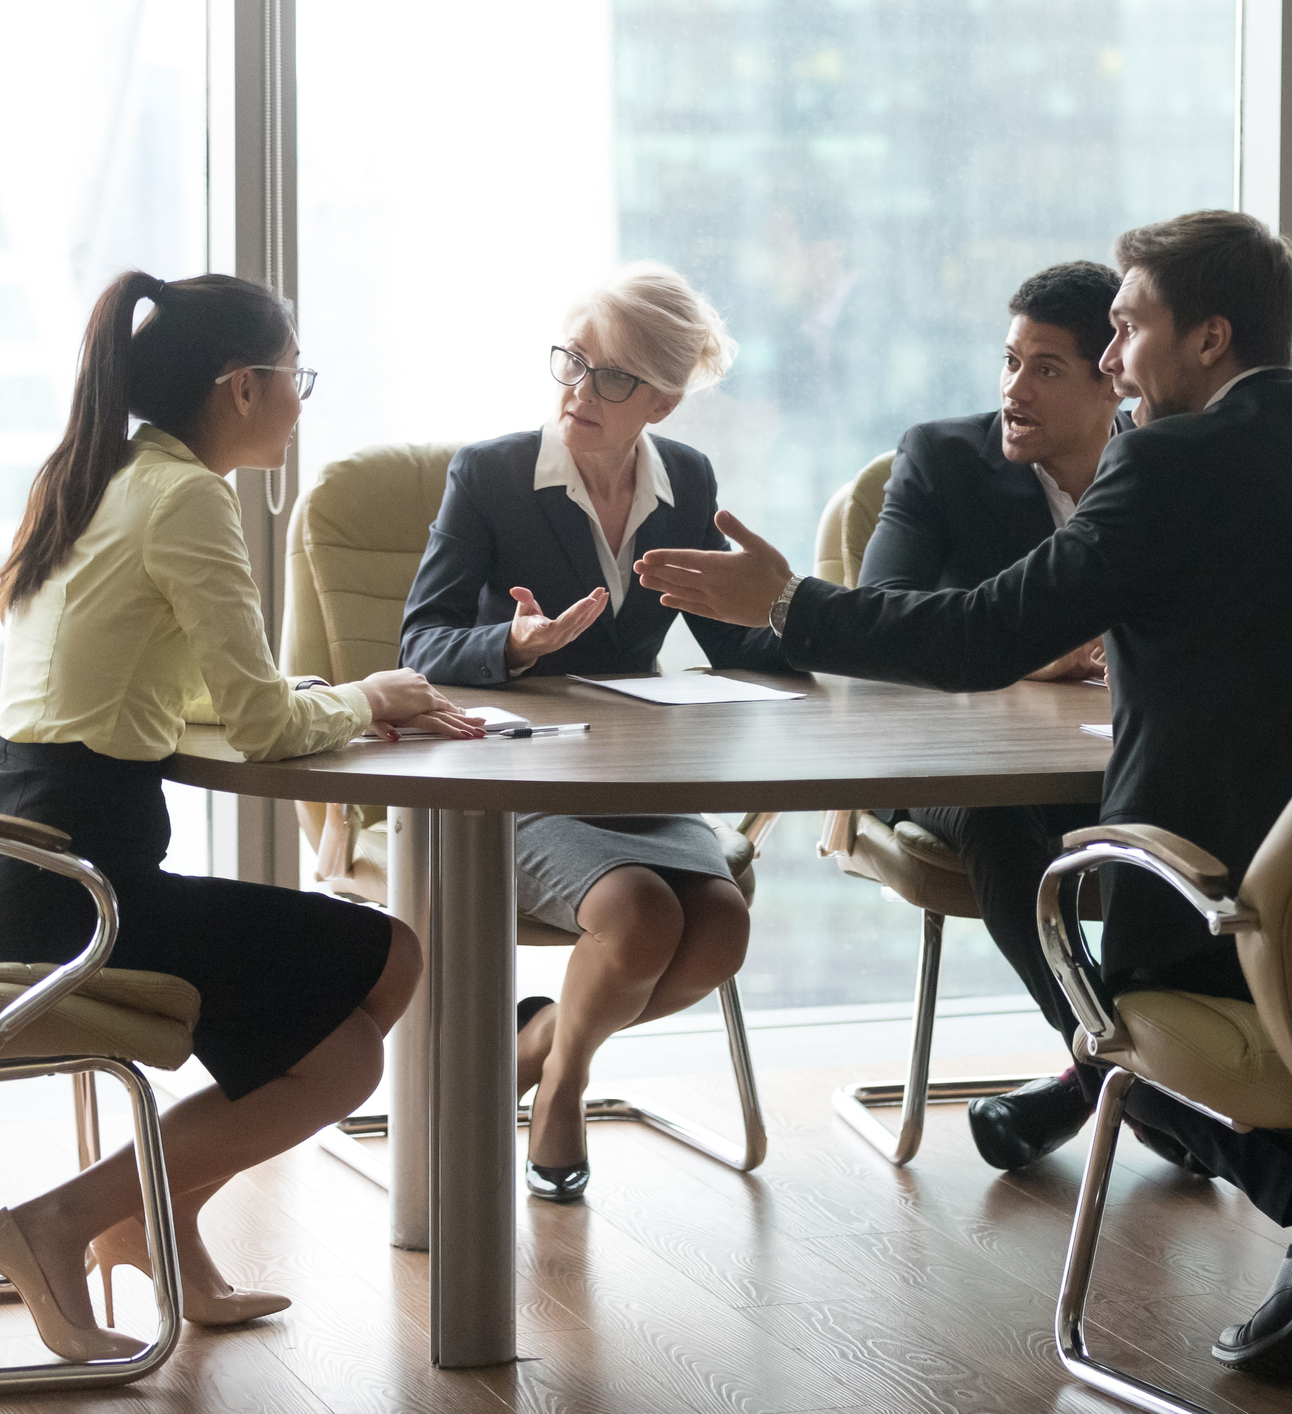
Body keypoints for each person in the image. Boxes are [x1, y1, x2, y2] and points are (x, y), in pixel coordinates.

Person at [636, 211, 1292, 1381]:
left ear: (1209, 337)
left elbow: (986, 634)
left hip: (1205, 901)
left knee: (1108, 1034)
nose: (1110, 361)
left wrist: (789, 605)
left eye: (1128, 329)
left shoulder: (1169, 462)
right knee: (1059, 919)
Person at [0, 271, 470, 1361]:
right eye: (296, 376)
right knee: (373, 996)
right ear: (245, 386)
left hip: (38, 866)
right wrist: (370, 696)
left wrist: (320, 702)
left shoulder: (100, 477)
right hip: (87, 897)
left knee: (372, 979)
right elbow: (259, 727)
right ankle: (62, 1219)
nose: (303, 399)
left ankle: (149, 1221)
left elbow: (195, 687)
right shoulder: (184, 496)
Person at [399, 262, 783, 1204]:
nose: (578, 390)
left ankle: (535, 1045)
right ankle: (563, 1085)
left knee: (721, 927)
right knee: (642, 916)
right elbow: (421, 638)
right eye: (572, 361)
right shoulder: (491, 475)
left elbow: (731, 635)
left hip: (637, 769)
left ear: (662, 394)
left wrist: (811, 618)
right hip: (514, 772)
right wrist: (515, 645)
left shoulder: (685, 478)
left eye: (610, 376)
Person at [859, 260, 1133, 1171]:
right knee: (999, 816)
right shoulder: (943, 458)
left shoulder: (1163, 469)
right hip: (949, 767)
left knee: (1191, 813)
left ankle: (1111, 1080)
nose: (1013, 390)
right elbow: (881, 617)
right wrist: (1031, 650)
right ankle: (1118, 1062)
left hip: (1108, 761)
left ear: (1114, 374)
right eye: (1009, 362)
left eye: (1046, 368)